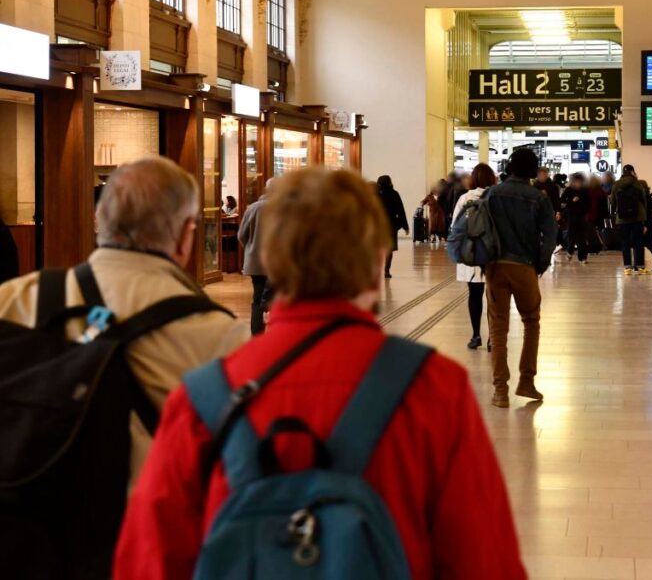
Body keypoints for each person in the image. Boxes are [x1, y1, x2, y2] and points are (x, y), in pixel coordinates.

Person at [114, 167, 526, 579]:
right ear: (376, 258)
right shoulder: (434, 390)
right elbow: (486, 560)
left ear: (272, 260)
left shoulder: (203, 399)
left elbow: (149, 561)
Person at [0, 157, 247, 578]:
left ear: (101, 220)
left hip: (26, 534)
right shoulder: (218, 334)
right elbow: (232, 469)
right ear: (186, 234)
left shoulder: (18, 299)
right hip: (140, 550)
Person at [486, 148, 557, 408]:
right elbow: (550, 236)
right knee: (531, 322)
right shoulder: (538, 198)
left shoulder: (492, 193)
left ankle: (500, 391)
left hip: (496, 267)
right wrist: (540, 264)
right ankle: (526, 381)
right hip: (524, 267)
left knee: (498, 329)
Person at [452, 163, 497, 349]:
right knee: (493, 297)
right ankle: (492, 338)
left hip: (471, 253)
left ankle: (476, 335)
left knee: (474, 295)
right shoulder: (496, 198)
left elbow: (455, 226)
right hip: (493, 254)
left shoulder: (465, 198)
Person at [239, 178, 276, 334]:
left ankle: (256, 331)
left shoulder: (252, 208)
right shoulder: (283, 209)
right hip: (276, 261)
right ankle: (274, 330)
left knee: (257, 296)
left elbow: (241, 235)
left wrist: (249, 249)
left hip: (254, 262)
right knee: (272, 297)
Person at [611, 164, 649, 275]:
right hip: (637, 218)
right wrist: (645, 219)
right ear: (633, 172)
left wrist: (614, 216)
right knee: (638, 242)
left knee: (625, 242)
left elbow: (613, 202)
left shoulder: (616, 184)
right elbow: (644, 201)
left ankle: (627, 267)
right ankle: (640, 266)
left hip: (622, 218)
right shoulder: (638, 183)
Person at [377, 175, 409, 279]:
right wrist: (404, 226)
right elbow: (401, 210)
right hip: (391, 226)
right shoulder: (394, 194)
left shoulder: (375, 195)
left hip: (378, 226)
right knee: (389, 249)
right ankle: (386, 270)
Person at [560, 173, 591, 264]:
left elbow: (588, 203)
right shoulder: (569, 190)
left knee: (581, 237)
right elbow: (562, 200)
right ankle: (570, 250)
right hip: (571, 215)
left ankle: (582, 257)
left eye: (579, 182)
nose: (578, 183)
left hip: (581, 216)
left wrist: (585, 211)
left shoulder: (585, 191)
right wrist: (571, 201)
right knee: (572, 235)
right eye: (576, 181)